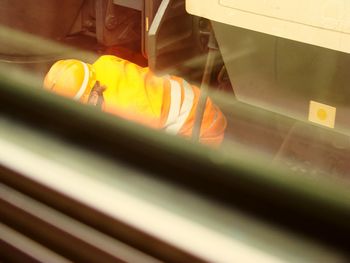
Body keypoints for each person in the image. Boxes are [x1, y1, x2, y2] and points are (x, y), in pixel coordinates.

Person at [43, 55, 227, 145]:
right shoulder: (103, 63)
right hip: (196, 99)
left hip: (204, 130)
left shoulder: (127, 111)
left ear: (91, 98)